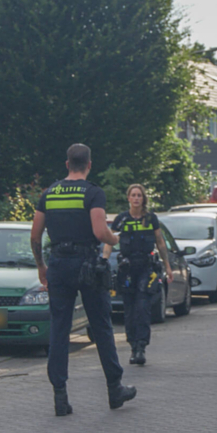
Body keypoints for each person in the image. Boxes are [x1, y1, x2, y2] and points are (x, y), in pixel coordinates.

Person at [31, 143, 136, 416]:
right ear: (89, 165)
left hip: (57, 264)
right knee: (101, 326)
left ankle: (60, 397)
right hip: (87, 265)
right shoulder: (93, 193)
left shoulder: (49, 194)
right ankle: (115, 390)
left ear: (67, 164)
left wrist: (41, 266)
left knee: (59, 330)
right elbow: (100, 232)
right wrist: (116, 239)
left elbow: (34, 236)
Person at [105, 183, 173, 366]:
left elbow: (160, 242)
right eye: (133, 195)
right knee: (129, 310)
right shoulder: (121, 219)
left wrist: (167, 266)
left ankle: (142, 346)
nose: (136, 198)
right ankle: (133, 345)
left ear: (143, 199)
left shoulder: (151, 219)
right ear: (128, 198)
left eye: (139, 195)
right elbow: (109, 242)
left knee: (143, 308)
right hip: (127, 270)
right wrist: (103, 261)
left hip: (146, 268)